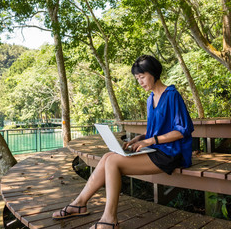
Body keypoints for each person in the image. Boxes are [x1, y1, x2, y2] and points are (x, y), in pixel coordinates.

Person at [52, 55, 194, 229]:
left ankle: (109, 219)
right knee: (107, 157)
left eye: (142, 76)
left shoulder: (172, 95)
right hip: (156, 150)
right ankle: (79, 203)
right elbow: (154, 131)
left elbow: (182, 131)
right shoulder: (151, 99)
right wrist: (139, 139)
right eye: (137, 78)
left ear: (154, 73)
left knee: (112, 161)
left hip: (171, 153)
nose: (140, 81)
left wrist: (150, 140)